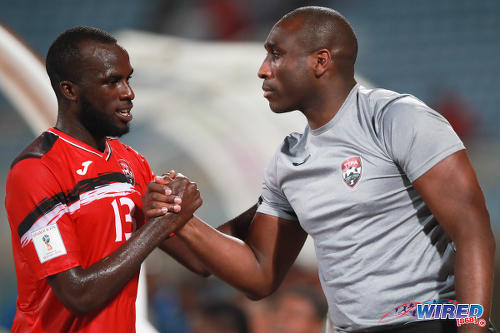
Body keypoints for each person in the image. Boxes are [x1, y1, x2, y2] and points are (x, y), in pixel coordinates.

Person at [151, 6, 496, 333]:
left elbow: (472, 230)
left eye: (276, 54)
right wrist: (168, 214)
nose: (263, 69)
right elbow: (258, 275)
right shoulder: (289, 158)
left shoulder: (396, 118)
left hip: (428, 322)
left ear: (320, 61)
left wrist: (472, 327)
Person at [4, 26, 203, 332]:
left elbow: (199, 261)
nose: (128, 93)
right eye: (112, 81)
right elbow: (78, 294)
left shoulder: (132, 162)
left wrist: (271, 201)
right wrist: (163, 222)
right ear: (70, 91)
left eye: (128, 79)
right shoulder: (37, 169)